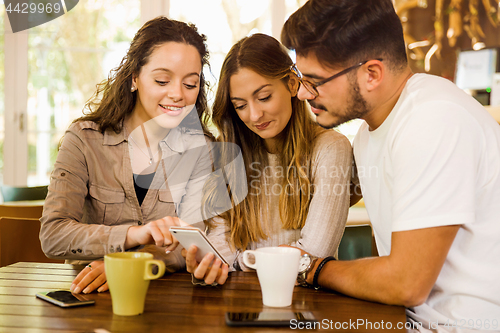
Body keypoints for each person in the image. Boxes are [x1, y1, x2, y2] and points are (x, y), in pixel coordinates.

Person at [281, 0, 500, 331]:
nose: (302, 94)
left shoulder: (433, 119)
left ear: (372, 74)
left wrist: (313, 269)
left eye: (315, 81)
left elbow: (406, 283)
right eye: (300, 78)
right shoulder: (370, 133)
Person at [40, 17, 213, 294]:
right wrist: (133, 236)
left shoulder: (200, 150)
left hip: (165, 299)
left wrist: (131, 261)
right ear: (134, 78)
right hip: (86, 295)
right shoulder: (84, 140)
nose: (178, 94)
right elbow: (53, 235)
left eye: (190, 84)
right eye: (162, 80)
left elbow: (193, 244)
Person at [185, 33, 352, 286]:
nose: (254, 115)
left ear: (293, 85)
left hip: (304, 305)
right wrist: (211, 263)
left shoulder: (331, 148)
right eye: (240, 105)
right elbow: (221, 245)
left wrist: (241, 261)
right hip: (242, 303)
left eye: (264, 97)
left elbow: (313, 254)